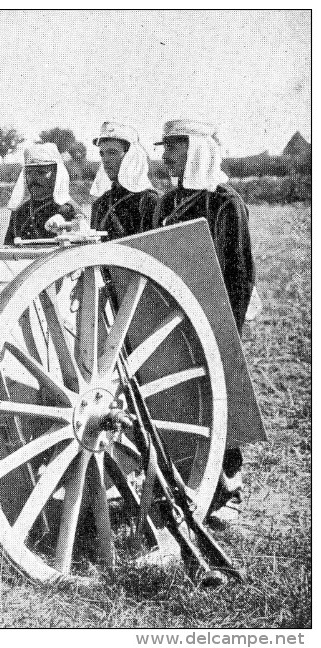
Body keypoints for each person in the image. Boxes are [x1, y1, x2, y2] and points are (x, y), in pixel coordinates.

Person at [151, 119, 256, 524]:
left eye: (175, 147)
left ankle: (229, 490)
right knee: (178, 400)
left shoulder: (224, 202)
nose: (166, 155)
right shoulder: (166, 202)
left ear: (196, 150)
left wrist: (226, 325)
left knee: (219, 399)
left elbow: (239, 272)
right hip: (168, 317)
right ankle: (185, 483)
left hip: (213, 316)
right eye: (165, 147)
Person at [89, 122, 160, 240]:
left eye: (112, 152)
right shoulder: (100, 203)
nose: (105, 160)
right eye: (102, 153)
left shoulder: (148, 200)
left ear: (130, 157)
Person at [4, 143, 82, 244]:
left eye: (41, 172)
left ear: (56, 175)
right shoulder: (19, 211)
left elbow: (83, 248)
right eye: (29, 173)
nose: (33, 178)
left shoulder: (70, 208)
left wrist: (67, 225)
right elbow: (8, 248)